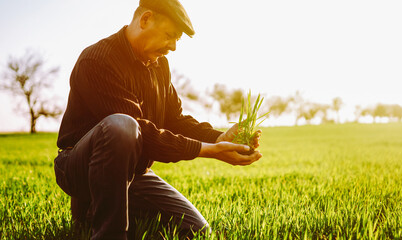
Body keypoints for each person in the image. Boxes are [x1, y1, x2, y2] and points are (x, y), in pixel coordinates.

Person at [53, 0, 262, 239]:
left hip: (134, 172)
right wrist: (211, 150)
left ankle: (95, 213)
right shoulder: (97, 60)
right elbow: (140, 131)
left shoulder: (159, 65)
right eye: (169, 36)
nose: (173, 47)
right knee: (122, 126)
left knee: (196, 230)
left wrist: (219, 137)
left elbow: (175, 119)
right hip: (78, 167)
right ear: (145, 19)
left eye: (177, 40)